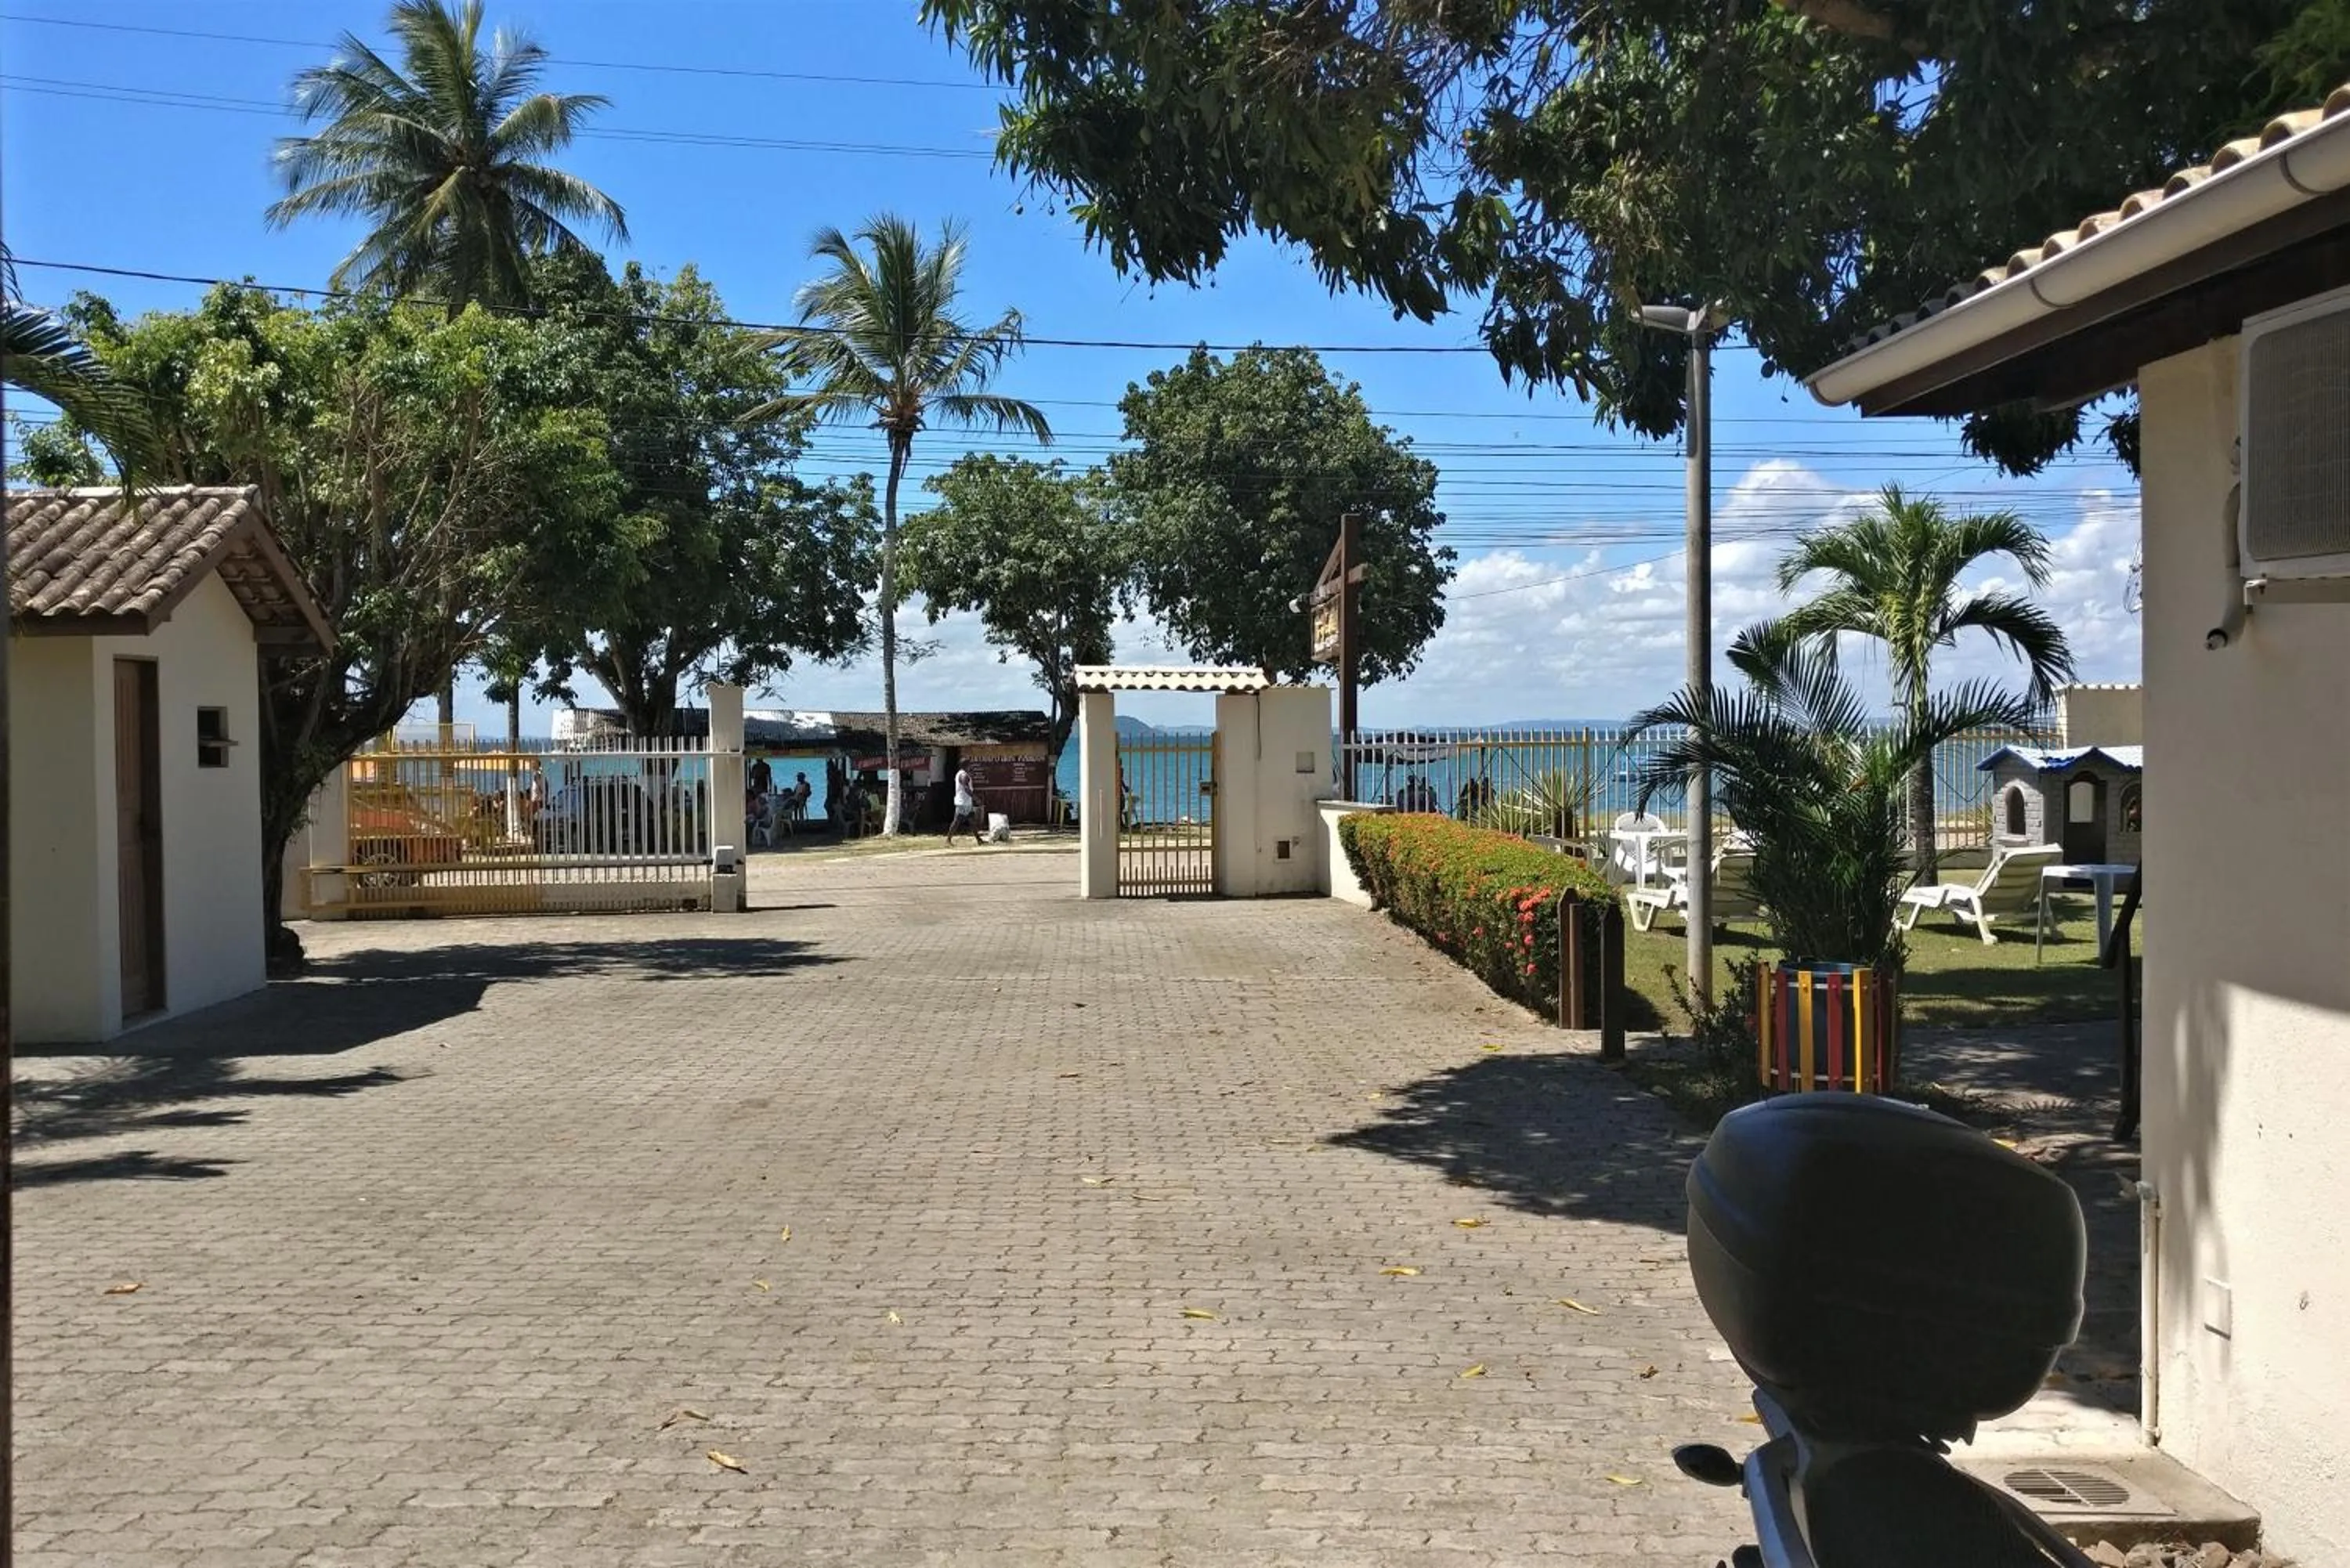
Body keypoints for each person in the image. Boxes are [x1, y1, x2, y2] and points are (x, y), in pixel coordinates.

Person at [947, 764, 980, 846]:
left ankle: (979, 839)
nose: (971, 766)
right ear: (966, 765)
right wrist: (975, 798)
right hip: (962, 802)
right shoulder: (963, 775)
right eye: (969, 764)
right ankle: (948, 839)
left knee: (972, 821)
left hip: (966, 802)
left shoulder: (963, 774)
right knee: (957, 821)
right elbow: (966, 788)